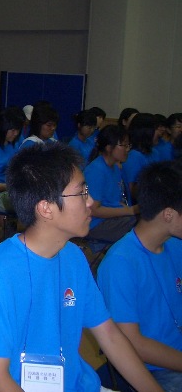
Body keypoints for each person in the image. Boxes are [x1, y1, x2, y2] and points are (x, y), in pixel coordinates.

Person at [0, 143, 164, 392]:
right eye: (82, 193)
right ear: (45, 208)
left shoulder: (73, 257)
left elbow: (110, 335)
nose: (91, 202)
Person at [98, 161, 182, 390]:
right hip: (154, 368)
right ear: (168, 214)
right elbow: (133, 344)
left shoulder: (174, 245)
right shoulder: (120, 263)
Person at [84, 125, 138, 243]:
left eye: (128, 145)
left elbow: (115, 201)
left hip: (111, 218)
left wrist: (131, 210)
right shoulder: (96, 170)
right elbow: (94, 211)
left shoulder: (115, 168)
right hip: (95, 224)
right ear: (109, 147)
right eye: (123, 145)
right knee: (138, 225)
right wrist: (130, 211)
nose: (127, 150)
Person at [122, 113, 160, 203]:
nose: (159, 133)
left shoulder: (155, 152)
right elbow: (131, 191)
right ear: (146, 132)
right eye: (155, 129)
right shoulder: (133, 156)